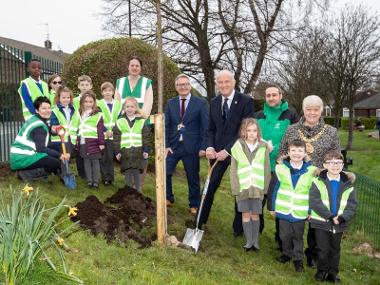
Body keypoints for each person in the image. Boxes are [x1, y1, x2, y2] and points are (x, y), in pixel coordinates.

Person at [279, 95, 341, 267]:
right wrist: (287, 170)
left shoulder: (331, 132)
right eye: (308, 109)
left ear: (321, 110)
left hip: (319, 183)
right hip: (294, 181)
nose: (312, 112)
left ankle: (312, 254)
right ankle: (287, 251)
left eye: (316, 109)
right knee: (291, 218)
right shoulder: (291, 130)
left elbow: (337, 156)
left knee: (315, 222)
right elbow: (282, 154)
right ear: (303, 110)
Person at [198, 70, 254, 232]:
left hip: (237, 152)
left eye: (226, 82)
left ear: (234, 82)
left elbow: (246, 130)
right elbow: (210, 129)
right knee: (209, 186)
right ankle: (199, 221)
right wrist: (209, 146)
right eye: (220, 82)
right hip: (215, 153)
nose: (223, 85)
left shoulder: (246, 101)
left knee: (239, 190)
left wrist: (228, 150)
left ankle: (239, 228)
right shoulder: (214, 102)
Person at [255, 85, 298, 245]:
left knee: (280, 203)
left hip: (281, 168)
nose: (271, 98)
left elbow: (294, 140)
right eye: (268, 95)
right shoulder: (258, 115)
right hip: (260, 166)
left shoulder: (291, 115)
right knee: (258, 201)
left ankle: (282, 241)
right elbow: (251, 136)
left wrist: (279, 154)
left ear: (281, 95)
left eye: (274, 95)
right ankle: (255, 233)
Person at [267, 140, 316, 273]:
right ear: (288, 152)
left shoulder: (311, 171)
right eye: (293, 150)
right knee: (284, 235)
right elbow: (273, 188)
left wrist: (311, 210)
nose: (296, 153)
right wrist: (271, 207)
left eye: (300, 151)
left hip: (300, 211)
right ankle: (286, 254)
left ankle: (298, 259)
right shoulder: (280, 168)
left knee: (298, 236)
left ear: (305, 153)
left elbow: (314, 193)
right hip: (283, 209)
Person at [310, 151, 357, 282]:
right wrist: (330, 216)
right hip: (322, 222)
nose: (335, 166)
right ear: (325, 165)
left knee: (335, 249)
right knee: (322, 249)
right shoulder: (317, 181)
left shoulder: (348, 185)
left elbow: (351, 205)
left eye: (338, 163)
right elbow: (315, 202)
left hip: (339, 223)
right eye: (331, 163)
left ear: (343, 165)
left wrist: (342, 218)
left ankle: (333, 273)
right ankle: (321, 271)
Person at [165, 74, 209, 214]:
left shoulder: (200, 103)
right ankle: (168, 198)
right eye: (180, 85)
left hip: (192, 147)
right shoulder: (170, 103)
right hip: (173, 146)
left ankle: (194, 204)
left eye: (185, 84)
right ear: (176, 87)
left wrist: (203, 147)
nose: (183, 87)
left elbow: (205, 126)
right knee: (165, 172)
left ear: (189, 86)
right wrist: (166, 145)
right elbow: (166, 125)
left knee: (192, 177)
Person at [230, 118, 271, 251]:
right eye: (249, 130)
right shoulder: (237, 147)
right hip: (243, 188)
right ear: (244, 131)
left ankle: (255, 241)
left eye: (254, 130)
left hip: (258, 188)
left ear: (258, 131)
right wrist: (235, 188)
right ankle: (248, 242)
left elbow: (266, 168)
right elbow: (233, 170)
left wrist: (266, 188)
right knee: (245, 214)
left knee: (255, 214)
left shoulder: (263, 147)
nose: (252, 133)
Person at [114, 56, 154, 188]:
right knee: (127, 153)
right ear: (128, 67)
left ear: (140, 67)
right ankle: (128, 187)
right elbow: (117, 104)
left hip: (141, 122)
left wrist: (137, 114)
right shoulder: (120, 82)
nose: (134, 68)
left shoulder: (147, 83)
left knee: (141, 154)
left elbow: (148, 106)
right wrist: (122, 118)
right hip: (125, 123)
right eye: (132, 65)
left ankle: (138, 187)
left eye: (137, 65)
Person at [10, 96, 69, 181]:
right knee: (55, 163)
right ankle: (27, 174)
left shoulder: (35, 119)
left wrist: (53, 131)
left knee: (54, 154)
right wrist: (60, 155)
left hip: (19, 155)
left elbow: (45, 133)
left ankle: (28, 171)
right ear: (37, 110)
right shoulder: (39, 126)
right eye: (44, 108)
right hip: (23, 157)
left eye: (49, 108)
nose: (47, 110)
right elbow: (41, 149)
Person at [113, 97, 150, 192]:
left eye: (132, 107)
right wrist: (117, 152)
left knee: (137, 172)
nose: (129, 109)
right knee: (128, 171)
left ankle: (138, 191)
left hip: (138, 151)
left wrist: (146, 150)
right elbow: (116, 139)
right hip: (125, 151)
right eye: (127, 106)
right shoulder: (119, 122)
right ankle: (129, 192)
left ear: (136, 108)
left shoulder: (141, 121)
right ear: (124, 108)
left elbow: (146, 137)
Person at [74, 90, 105, 188]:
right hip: (83, 142)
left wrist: (101, 142)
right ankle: (89, 180)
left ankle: (95, 181)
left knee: (95, 161)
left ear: (94, 103)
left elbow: (100, 130)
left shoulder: (98, 114)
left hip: (94, 142)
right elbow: (76, 127)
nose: (88, 104)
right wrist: (75, 139)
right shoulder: (79, 113)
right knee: (86, 161)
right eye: (86, 101)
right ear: (82, 102)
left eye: (90, 102)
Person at [97, 82, 122, 185]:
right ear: (102, 93)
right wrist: (105, 130)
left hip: (114, 134)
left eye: (110, 90)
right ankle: (105, 178)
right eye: (105, 90)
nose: (108, 92)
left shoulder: (118, 104)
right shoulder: (99, 104)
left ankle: (111, 178)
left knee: (110, 157)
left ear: (113, 92)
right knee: (103, 157)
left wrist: (114, 130)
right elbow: (97, 119)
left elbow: (120, 119)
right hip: (103, 134)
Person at [72, 75, 93, 178]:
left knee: (90, 150)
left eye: (86, 85)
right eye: (82, 85)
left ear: (90, 86)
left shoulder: (93, 100)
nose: (84, 87)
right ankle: (82, 174)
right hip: (78, 130)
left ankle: (91, 171)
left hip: (90, 131)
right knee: (79, 151)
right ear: (78, 86)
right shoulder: (74, 101)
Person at [49, 86, 76, 154]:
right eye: (63, 98)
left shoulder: (74, 110)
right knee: (60, 161)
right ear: (59, 98)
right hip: (59, 140)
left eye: (68, 97)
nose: (66, 99)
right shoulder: (55, 111)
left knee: (67, 159)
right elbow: (54, 126)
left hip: (70, 140)